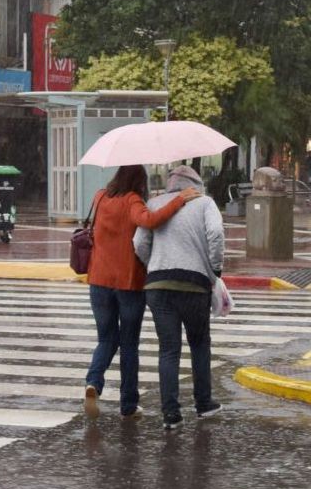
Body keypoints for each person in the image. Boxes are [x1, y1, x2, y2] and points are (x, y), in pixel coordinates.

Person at [83, 164, 199, 419]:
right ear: (139, 181)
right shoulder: (132, 200)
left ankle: (93, 381)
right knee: (129, 344)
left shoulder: (101, 196)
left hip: (99, 281)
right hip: (128, 283)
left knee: (105, 339)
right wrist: (179, 200)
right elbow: (149, 221)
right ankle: (128, 405)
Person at [133, 165, 225, 430]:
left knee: (169, 349)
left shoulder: (154, 203)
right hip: (195, 284)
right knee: (199, 343)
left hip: (159, 285)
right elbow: (216, 234)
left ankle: (171, 414)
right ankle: (203, 403)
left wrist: (155, 263)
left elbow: (139, 243)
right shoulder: (205, 203)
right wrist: (215, 268)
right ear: (195, 184)